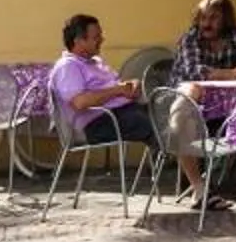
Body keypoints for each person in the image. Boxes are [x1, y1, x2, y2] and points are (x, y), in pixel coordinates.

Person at [50, 14, 157, 162]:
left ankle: (178, 167)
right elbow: (80, 102)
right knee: (155, 125)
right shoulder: (68, 66)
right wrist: (117, 91)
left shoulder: (95, 62)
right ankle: (179, 173)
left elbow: (114, 87)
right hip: (96, 124)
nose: (102, 40)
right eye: (96, 37)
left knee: (166, 112)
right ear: (79, 41)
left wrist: (130, 87)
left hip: (119, 113)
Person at [174, 0, 236, 92]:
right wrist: (232, 73)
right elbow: (193, 72)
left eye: (214, 18)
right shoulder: (190, 38)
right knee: (193, 89)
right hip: (183, 92)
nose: (207, 23)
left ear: (225, 19)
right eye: (203, 18)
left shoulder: (235, 35)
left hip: (220, 92)